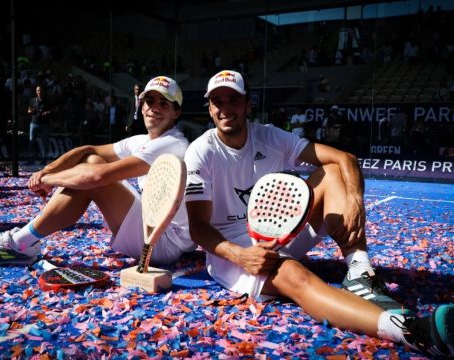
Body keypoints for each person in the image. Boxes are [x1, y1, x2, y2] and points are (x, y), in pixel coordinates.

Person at [184, 70, 453, 358]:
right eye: (217, 101)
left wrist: (354, 201)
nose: (226, 108)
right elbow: (198, 227)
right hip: (232, 252)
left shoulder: (269, 135)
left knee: (332, 171)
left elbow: (344, 158)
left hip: (278, 230)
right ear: (210, 108)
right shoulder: (200, 151)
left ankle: (360, 271)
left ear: (248, 104)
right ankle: (414, 333)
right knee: (298, 278)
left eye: (233, 100)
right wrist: (241, 255)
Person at [0, 75, 196, 268]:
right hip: (157, 230)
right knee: (93, 159)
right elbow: (88, 150)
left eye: (164, 103)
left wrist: (49, 179)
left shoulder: (171, 144)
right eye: (149, 100)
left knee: (96, 176)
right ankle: (23, 242)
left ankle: (19, 244)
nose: (154, 107)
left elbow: (98, 177)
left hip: (163, 243)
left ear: (177, 113)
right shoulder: (144, 140)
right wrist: (46, 170)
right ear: (141, 104)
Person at [27, 85, 53, 163]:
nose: (39, 92)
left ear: (43, 91)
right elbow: (28, 110)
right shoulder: (32, 100)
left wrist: (47, 112)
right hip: (34, 123)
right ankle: (31, 159)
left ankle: (44, 159)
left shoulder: (47, 101)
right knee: (31, 142)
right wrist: (31, 111)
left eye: (40, 90)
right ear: (36, 91)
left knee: (45, 142)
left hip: (44, 124)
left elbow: (52, 110)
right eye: (38, 90)